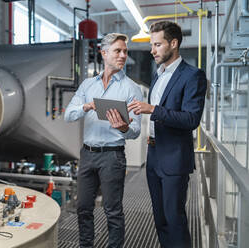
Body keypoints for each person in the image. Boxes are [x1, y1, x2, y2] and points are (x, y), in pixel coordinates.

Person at [128, 21, 207, 248]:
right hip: (153, 154)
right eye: (152, 45)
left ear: (173, 43)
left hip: (174, 157)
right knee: (160, 219)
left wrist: (152, 109)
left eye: (158, 45)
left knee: (175, 219)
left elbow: (191, 119)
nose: (152, 50)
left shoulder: (192, 76)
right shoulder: (158, 75)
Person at [64, 33, 142, 248]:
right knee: (83, 207)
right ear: (104, 52)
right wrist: (86, 106)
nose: (123, 55)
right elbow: (68, 114)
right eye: (118, 51)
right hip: (88, 154)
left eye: (125, 51)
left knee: (113, 211)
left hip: (113, 156)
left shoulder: (131, 88)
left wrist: (125, 127)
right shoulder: (88, 85)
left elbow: (135, 130)